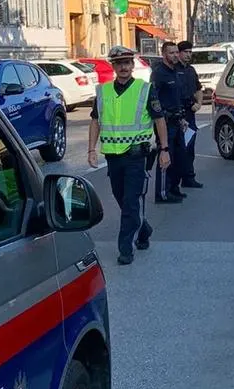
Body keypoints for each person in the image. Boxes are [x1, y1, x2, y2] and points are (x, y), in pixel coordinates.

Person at [87, 46, 171, 265]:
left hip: (137, 156)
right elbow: (95, 121)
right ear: (113, 67)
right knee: (122, 199)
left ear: (132, 65)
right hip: (113, 157)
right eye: (119, 63)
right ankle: (144, 230)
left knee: (131, 202)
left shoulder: (145, 89)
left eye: (127, 63)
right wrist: (91, 150)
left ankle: (125, 248)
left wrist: (164, 150)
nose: (123, 67)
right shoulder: (103, 91)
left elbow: (159, 120)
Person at [150, 41, 188, 203]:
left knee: (179, 157)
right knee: (165, 156)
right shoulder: (159, 73)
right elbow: (154, 99)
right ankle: (162, 193)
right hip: (165, 122)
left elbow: (176, 97)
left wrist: (182, 117)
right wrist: (162, 116)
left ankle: (173, 188)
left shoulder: (175, 71)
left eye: (176, 52)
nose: (175, 55)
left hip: (177, 120)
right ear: (164, 54)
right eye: (171, 53)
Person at [176, 40, 205, 189]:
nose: (188, 55)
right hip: (178, 114)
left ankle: (188, 177)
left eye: (190, 52)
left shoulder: (191, 70)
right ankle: (175, 181)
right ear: (179, 53)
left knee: (190, 146)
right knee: (179, 148)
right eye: (185, 52)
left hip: (190, 114)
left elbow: (198, 88)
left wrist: (199, 103)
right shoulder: (174, 70)